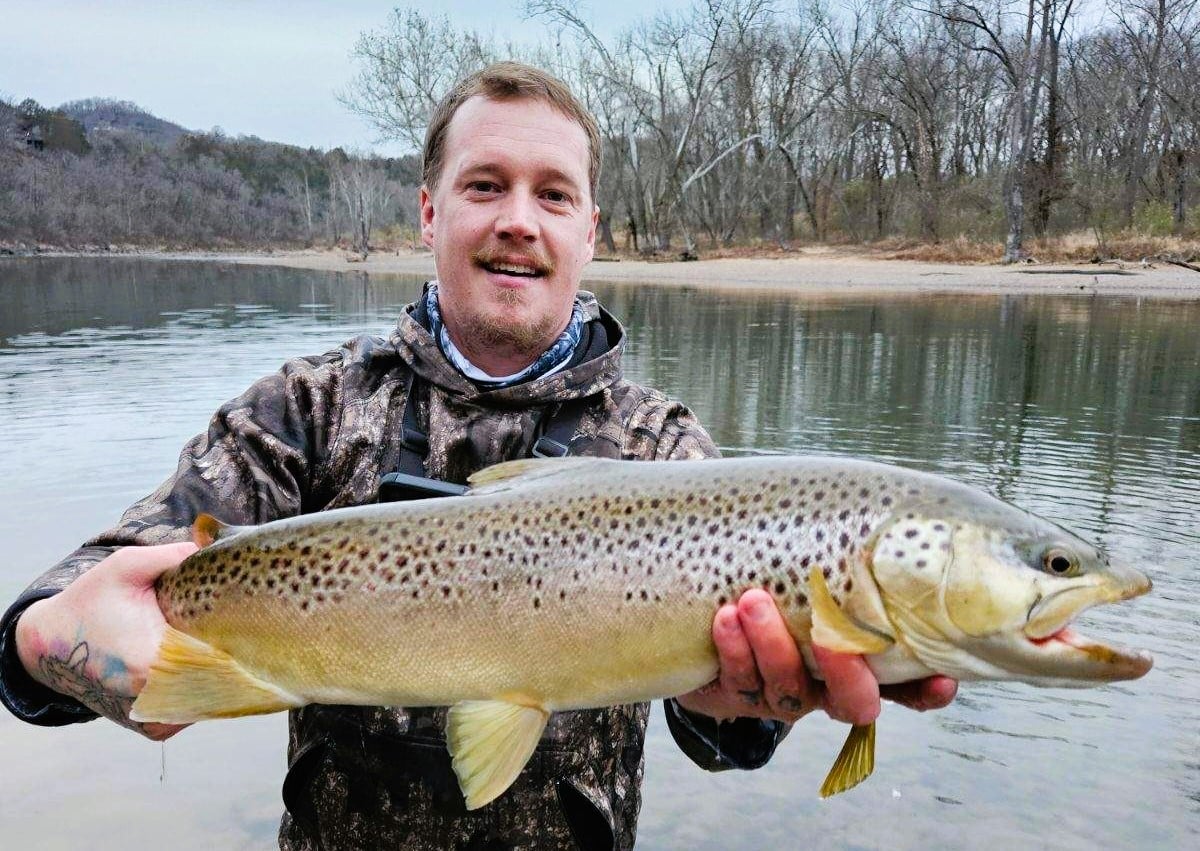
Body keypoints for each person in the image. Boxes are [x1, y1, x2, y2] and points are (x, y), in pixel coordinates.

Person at [0, 63, 956, 850]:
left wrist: (751, 709)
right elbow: (70, 598)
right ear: (429, 212)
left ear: (589, 230)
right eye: (485, 185)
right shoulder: (304, 410)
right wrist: (47, 647)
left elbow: (718, 740)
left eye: (553, 195)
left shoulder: (662, 448)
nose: (518, 220)